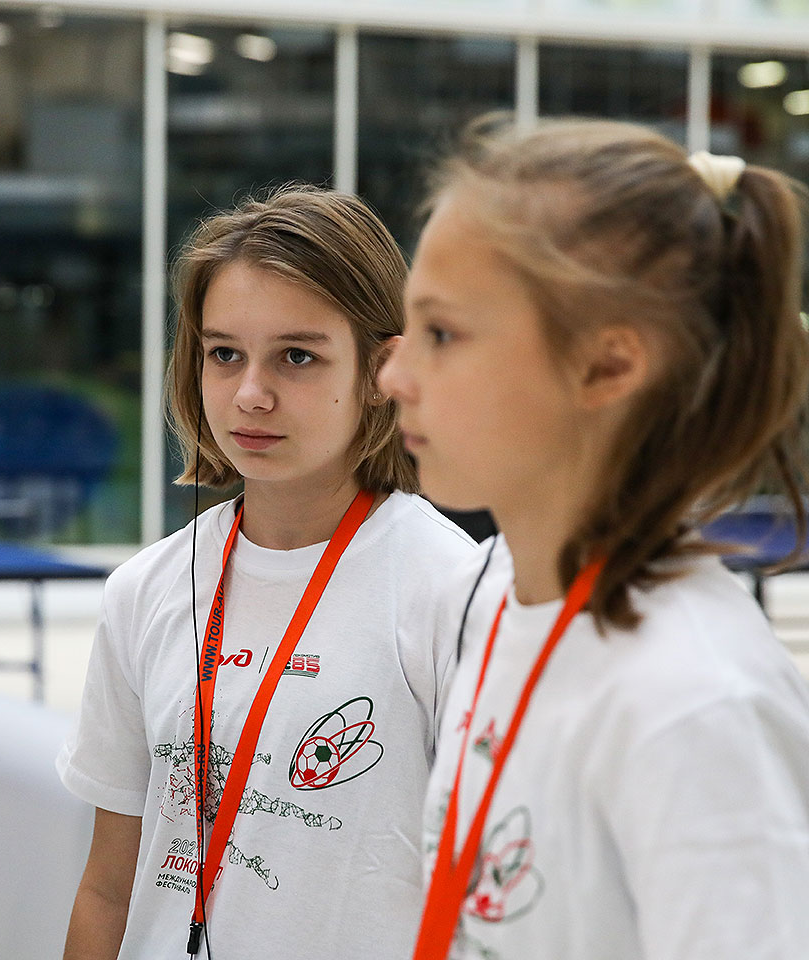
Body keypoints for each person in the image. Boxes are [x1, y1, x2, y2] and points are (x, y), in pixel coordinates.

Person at [380, 115, 809, 960]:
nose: (393, 374)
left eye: (442, 334)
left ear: (608, 367)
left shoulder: (694, 704)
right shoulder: (493, 599)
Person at [57, 186, 475, 959]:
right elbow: (109, 889)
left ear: (383, 369)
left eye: (297, 356)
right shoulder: (147, 589)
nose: (251, 394)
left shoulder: (453, 592)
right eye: (225, 354)